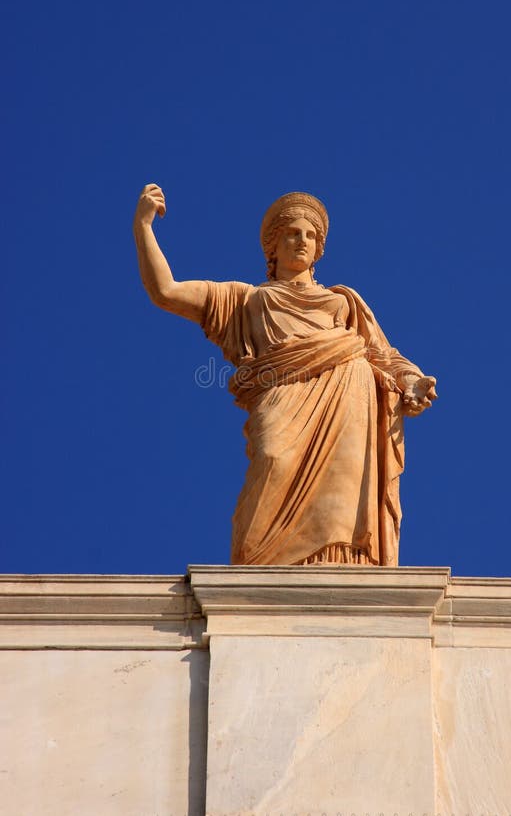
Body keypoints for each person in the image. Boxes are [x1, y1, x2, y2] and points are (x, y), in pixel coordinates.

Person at [133, 184, 437, 566]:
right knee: (272, 458)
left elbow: (382, 354)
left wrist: (410, 381)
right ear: (273, 247)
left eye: (310, 235)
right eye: (292, 233)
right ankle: (263, 569)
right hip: (281, 402)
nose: (302, 241)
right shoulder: (247, 299)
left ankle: (343, 565)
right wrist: (143, 227)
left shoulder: (344, 300)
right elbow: (166, 291)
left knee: (342, 499)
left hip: (348, 399)